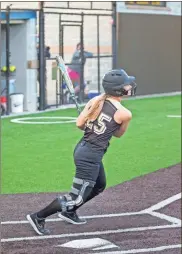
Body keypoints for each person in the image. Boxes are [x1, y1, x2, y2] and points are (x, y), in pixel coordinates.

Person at [26, 69, 137, 235]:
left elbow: (79, 124)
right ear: (118, 89)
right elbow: (118, 134)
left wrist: (93, 123)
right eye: (126, 84)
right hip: (90, 155)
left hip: (83, 148)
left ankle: (69, 212)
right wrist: (104, 126)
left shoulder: (96, 100)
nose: (130, 86)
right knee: (75, 197)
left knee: (99, 185)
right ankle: (38, 217)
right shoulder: (124, 113)